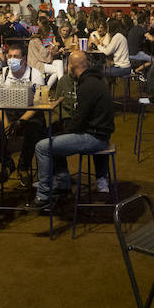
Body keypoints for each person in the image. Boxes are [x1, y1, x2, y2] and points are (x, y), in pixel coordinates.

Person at [30, 51, 114, 209]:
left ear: (71, 67)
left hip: (94, 137)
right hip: (100, 134)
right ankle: (61, 181)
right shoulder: (96, 81)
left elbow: (80, 119)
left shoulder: (87, 86)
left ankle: (43, 195)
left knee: (42, 146)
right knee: (53, 138)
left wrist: (65, 132)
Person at [0, 43, 46, 182]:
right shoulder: (1, 74)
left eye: (16, 56)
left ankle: (23, 166)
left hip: (29, 112)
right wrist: (6, 123)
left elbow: (39, 102)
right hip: (6, 112)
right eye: (9, 56)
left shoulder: (35, 74)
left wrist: (21, 121)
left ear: (24, 59)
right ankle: (8, 164)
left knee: (35, 128)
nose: (12, 59)